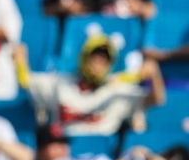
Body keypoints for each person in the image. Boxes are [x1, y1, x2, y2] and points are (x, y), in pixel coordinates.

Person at [28, 33, 165, 137]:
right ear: (84, 58)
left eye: (103, 60)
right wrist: (20, 61)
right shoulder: (61, 83)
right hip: (66, 151)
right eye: (94, 58)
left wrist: (154, 73)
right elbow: (26, 82)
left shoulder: (118, 90)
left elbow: (157, 100)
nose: (98, 64)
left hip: (101, 157)